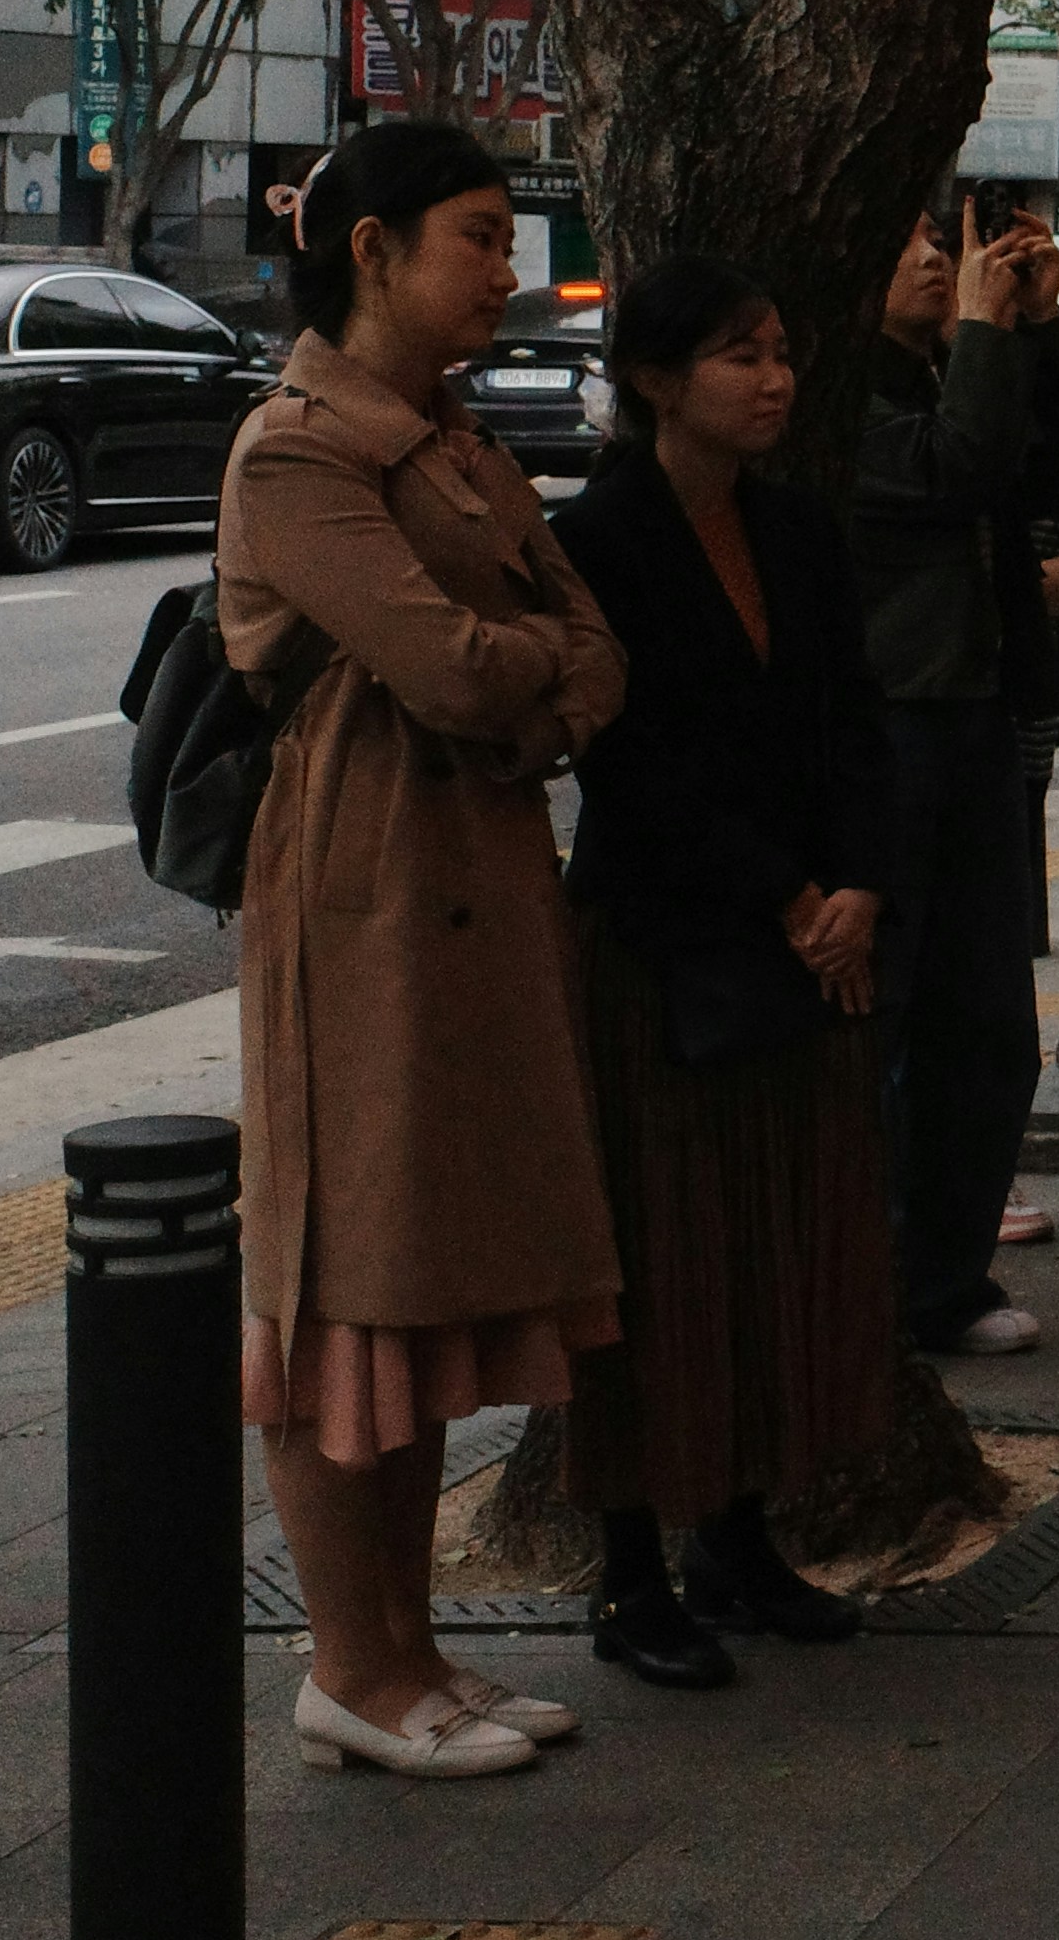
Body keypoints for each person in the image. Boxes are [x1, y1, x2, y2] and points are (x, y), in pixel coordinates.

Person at [217, 118, 629, 1784]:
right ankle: (352, 1664)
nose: (504, 268)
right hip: (364, 890)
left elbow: (588, 649)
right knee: (346, 1282)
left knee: (440, 1264)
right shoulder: (300, 452)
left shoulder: (452, 438)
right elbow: (456, 671)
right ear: (372, 248)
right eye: (475, 234)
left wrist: (533, 671)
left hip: (480, 867)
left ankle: (410, 1654)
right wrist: (533, 673)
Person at [549, 257, 909, 1688]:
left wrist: (860, 885)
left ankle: (741, 1538)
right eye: (737, 357)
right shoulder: (599, 540)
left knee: (772, 1246)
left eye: (778, 352)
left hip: (809, 940)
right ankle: (633, 1575)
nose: (771, 379)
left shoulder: (801, 530)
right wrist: (790, 892)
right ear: (653, 382)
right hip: (661, 941)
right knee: (654, 1255)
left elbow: (853, 722)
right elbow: (627, 766)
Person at [849, 189, 1059, 1357]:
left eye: (946, 243)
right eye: (917, 238)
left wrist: (1041, 328)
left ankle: (947, 1279)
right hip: (891, 721)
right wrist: (988, 340)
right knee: (893, 1018)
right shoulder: (833, 386)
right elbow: (955, 468)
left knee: (991, 1018)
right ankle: (883, 1279)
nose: (936, 259)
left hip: (981, 708)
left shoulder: (967, 360)